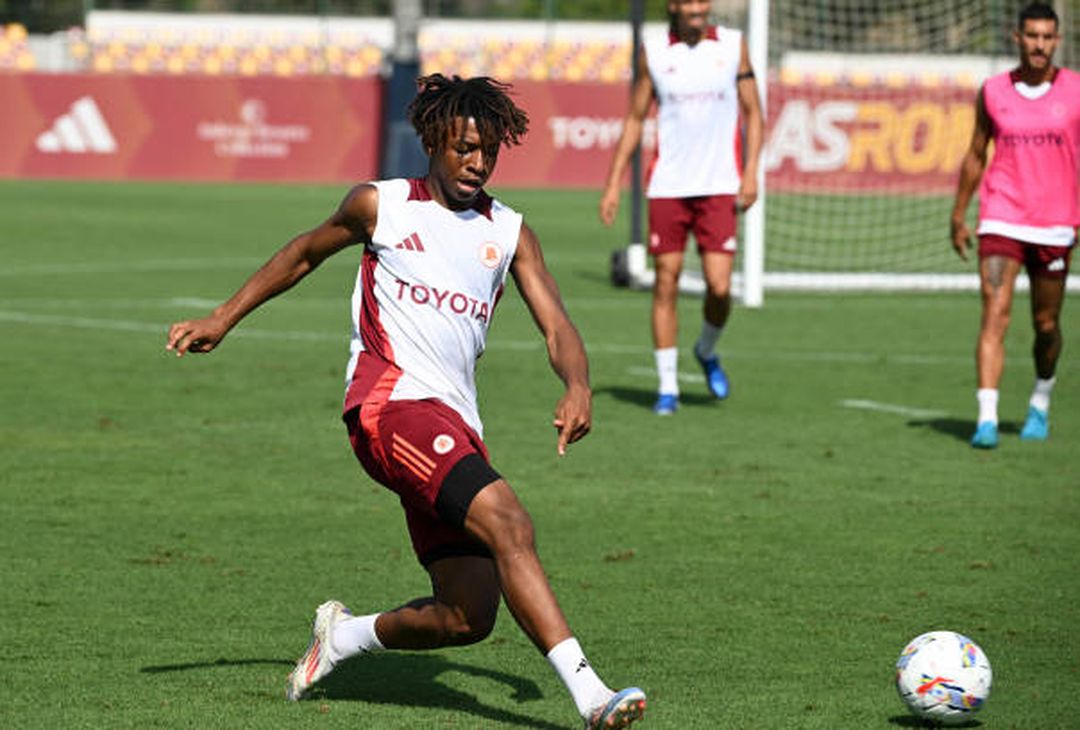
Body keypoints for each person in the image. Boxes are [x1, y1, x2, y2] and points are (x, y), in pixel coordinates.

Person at [166, 74, 646, 729]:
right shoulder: (382, 205)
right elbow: (304, 254)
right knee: (510, 523)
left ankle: (344, 637)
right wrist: (222, 318)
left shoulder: (509, 231)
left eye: (489, 151)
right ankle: (591, 695)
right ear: (433, 143)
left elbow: (557, 326)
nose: (477, 163)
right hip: (389, 409)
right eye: (464, 148)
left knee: (467, 615)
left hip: (455, 424)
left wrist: (578, 384)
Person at [599, 0, 764, 415]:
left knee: (720, 286)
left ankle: (705, 349)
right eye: (688, 1)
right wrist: (614, 182)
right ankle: (668, 387)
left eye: (701, 0)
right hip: (669, 186)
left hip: (720, 185)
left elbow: (754, 112)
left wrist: (751, 172)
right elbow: (635, 118)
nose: (696, 7)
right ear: (674, 5)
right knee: (665, 282)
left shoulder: (733, 45)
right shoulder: (654, 52)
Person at [950, 1, 1079, 449]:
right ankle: (986, 418)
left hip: (1056, 224)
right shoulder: (992, 92)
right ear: (1017, 38)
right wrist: (958, 213)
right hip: (1001, 217)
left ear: (1057, 40)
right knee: (994, 313)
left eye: (1047, 37)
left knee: (1046, 325)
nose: (1039, 45)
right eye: (1032, 36)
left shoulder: (1076, 91)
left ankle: (1040, 399)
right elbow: (975, 154)